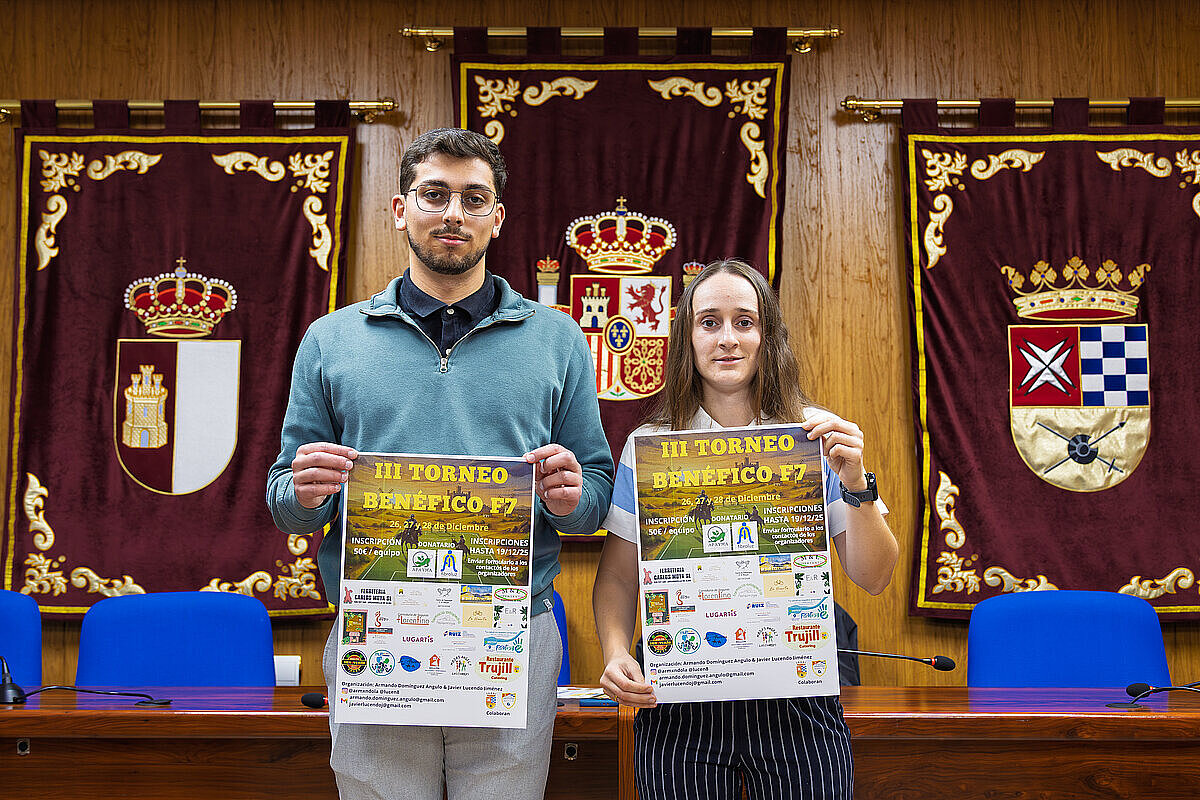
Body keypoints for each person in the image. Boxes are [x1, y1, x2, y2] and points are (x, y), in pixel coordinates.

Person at [266, 128, 614, 800]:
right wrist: (305, 492)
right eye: (434, 194)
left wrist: (573, 498)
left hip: (509, 631)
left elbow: (595, 494)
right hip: (377, 628)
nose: (453, 213)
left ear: (497, 218)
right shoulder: (331, 339)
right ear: (402, 210)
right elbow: (285, 501)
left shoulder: (558, 338)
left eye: (473, 198)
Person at [592, 259, 898, 800]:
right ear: (687, 339)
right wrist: (616, 651)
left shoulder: (814, 435)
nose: (728, 338)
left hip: (797, 703)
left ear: (767, 335)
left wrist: (857, 482)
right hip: (680, 706)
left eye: (745, 322)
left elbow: (874, 577)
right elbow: (617, 577)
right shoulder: (649, 444)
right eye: (709, 322)